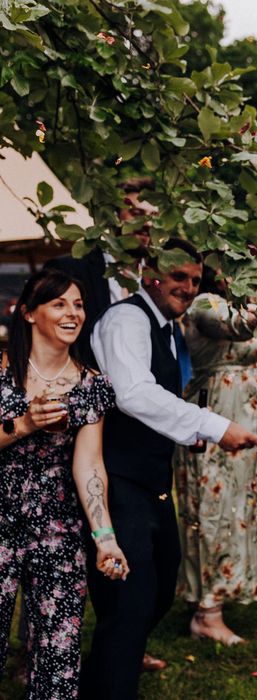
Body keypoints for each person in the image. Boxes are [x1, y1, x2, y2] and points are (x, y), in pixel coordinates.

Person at [80, 239, 257, 700]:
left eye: (194, 280)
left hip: (152, 480)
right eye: (178, 276)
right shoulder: (127, 319)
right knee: (132, 599)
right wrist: (215, 426)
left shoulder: (167, 328)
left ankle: (113, 661)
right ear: (149, 274)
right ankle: (111, 684)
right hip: (118, 479)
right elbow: (134, 394)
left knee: (162, 582)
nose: (186, 287)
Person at [0, 269, 129, 697]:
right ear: (28, 314)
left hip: (57, 530)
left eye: (78, 304)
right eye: (59, 303)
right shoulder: (0, 372)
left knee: (58, 655)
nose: (72, 312)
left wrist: (105, 538)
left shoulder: (91, 386)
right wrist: (24, 424)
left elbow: (89, 465)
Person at [174, 269, 257, 646]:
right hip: (213, 420)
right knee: (211, 510)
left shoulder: (239, 303)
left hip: (244, 421)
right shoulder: (204, 304)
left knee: (237, 509)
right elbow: (240, 326)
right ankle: (206, 613)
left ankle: (220, 594)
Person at [44, 178, 154, 367]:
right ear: (113, 217)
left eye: (154, 217)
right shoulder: (70, 270)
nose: (148, 224)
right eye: (137, 213)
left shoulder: (156, 281)